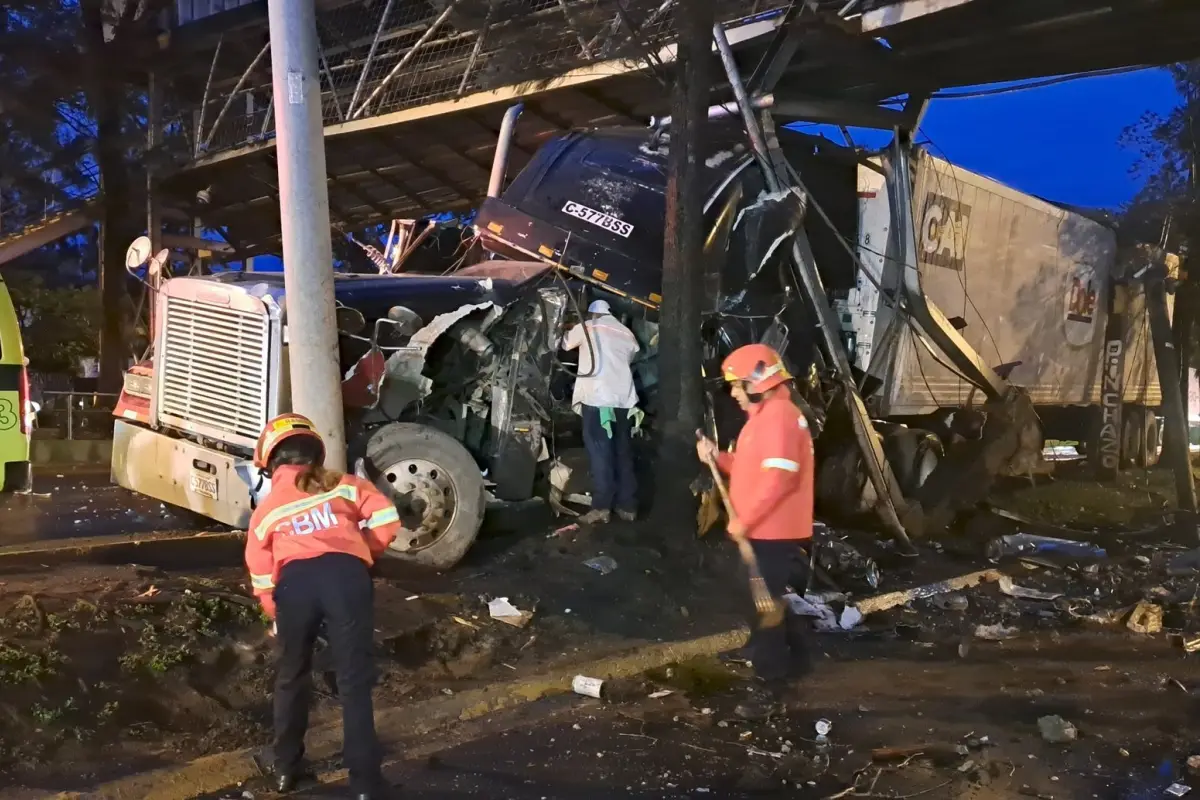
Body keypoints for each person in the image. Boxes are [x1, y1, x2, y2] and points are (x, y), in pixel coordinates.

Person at [245, 413, 407, 799]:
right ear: (315, 453)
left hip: (295, 586)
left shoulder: (266, 511)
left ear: (271, 463)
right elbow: (386, 518)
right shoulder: (345, 486)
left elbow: (261, 571)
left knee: (292, 675)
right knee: (353, 681)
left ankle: (285, 768)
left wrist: (274, 613)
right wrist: (356, 551)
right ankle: (366, 784)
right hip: (346, 580)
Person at [696, 343, 815, 719]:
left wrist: (746, 519)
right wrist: (718, 457)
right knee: (764, 604)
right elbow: (753, 470)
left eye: (736, 385)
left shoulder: (779, 417)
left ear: (758, 381)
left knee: (765, 611)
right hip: (766, 531)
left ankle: (770, 688)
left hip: (774, 534)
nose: (732, 393)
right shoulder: (765, 418)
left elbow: (779, 479)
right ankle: (791, 658)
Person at [560, 298, 641, 524]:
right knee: (622, 453)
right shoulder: (626, 333)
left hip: (598, 402)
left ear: (592, 314)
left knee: (600, 454)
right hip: (624, 402)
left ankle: (602, 508)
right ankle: (628, 506)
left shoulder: (587, 327)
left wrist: (565, 327)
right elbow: (631, 355)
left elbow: (564, 343)